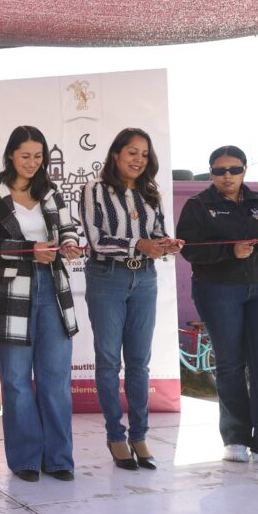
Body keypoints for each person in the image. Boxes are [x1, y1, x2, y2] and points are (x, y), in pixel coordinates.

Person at [177, 146, 258, 468]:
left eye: (234, 170)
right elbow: (189, 250)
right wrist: (229, 252)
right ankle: (235, 438)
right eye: (220, 170)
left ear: (244, 171)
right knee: (230, 364)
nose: (227, 176)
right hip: (217, 290)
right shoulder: (198, 206)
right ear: (211, 172)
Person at [0, 126, 82, 482]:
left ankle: (59, 459)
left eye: (38, 156)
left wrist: (68, 245)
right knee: (17, 382)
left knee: (56, 380)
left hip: (52, 288)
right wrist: (28, 250)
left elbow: (68, 230)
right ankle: (25, 459)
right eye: (25, 156)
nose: (32, 162)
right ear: (10, 155)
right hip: (9, 293)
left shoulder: (51, 191)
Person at [80, 127, 182, 471]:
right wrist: (139, 244)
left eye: (144, 154)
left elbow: (157, 234)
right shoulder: (94, 189)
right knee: (109, 361)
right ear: (116, 154)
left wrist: (167, 244)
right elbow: (96, 240)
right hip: (107, 277)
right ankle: (115, 435)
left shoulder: (150, 192)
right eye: (132, 152)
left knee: (139, 362)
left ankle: (139, 435)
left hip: (145, 279)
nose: (139, 160)